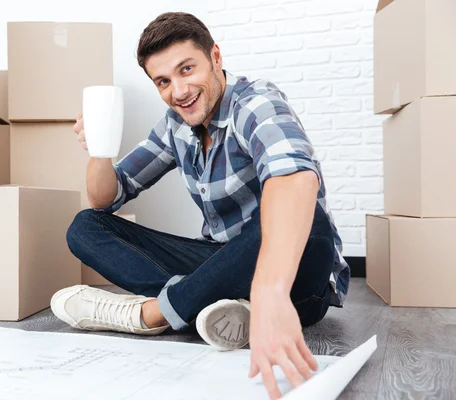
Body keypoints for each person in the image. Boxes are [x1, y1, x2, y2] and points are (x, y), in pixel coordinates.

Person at [50, 11, 350, 399]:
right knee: (85, 226)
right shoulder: (175, 126)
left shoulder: (255, 103)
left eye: (187, 69)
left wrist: (270, 290)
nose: (179, 91)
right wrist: (100, 150)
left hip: (293, 278)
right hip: (223, 263)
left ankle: (150, 315)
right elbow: (106, 198)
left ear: (216, 57)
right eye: (163, 81)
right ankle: (219, 306)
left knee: (301, 218)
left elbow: (293, 178)